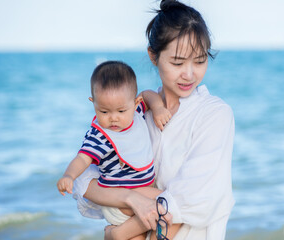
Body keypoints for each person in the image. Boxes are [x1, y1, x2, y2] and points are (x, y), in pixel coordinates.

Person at [73, 0, 235, 239]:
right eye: (178, 62)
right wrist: (130, 197)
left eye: (200, 61)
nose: (189, 74)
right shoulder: (136, 114)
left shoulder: (214, 114)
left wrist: (118, 234)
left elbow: (191, 199)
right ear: (153, 56)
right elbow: (85, 180)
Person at [57, 60, 175, 240]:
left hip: (136, 197)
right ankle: (124, 235)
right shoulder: (100, 136)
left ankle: (114, 235)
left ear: (136, 103)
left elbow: (149, 94)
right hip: (120, 199)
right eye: (104, 111)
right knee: (170, 202)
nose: (113, 119)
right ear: (93, 103)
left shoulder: (136, 113)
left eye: (121, 111)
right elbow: (82, 159)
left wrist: (158, 107)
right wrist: (69, 176)